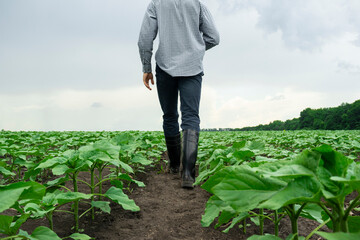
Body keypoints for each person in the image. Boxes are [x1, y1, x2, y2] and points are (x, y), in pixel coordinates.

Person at [138, 0, 219, 188]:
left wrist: (146, 67)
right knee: (191, 116)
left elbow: (144, 39)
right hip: (192, 67)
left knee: (169, 115)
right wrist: (195, 49)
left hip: (164, 68)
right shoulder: (197, 4)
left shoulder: (156, 4)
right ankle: (188, 175)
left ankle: (174, 166)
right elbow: (214, 37)